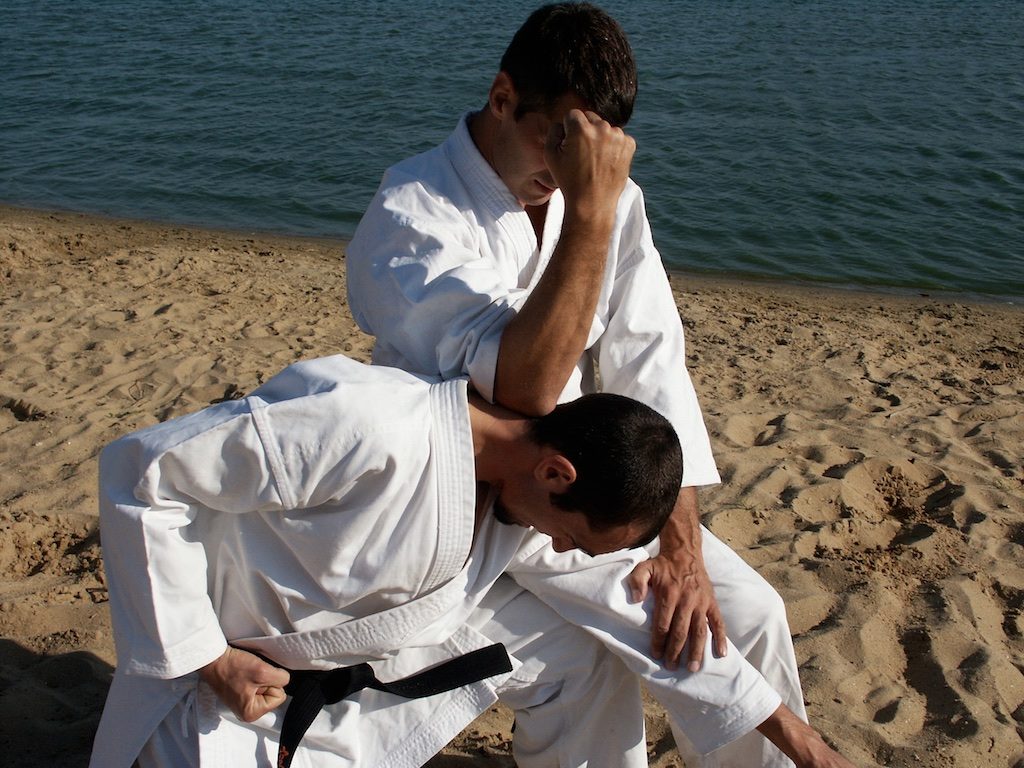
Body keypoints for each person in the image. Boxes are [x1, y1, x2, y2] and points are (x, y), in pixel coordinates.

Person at [346, 3, 854, 767]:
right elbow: (527, 392)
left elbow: (651, 368)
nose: (567, 172)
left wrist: (681, 545)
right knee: (611, 662)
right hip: (479, 508)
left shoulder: (611, 200)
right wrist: (589, 214)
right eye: (558, 143)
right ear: (502, 96)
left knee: (749, 613)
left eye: (591, 152)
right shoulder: (411, 216)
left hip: (608, 485)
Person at [91, 353, 697, 767]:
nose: (560, 547)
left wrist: (784, 729)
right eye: (574, 536)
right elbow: (141, 472)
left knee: (581, 653)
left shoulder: (513, 493)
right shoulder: (370, 425)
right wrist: (211, 658)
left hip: (345, 686)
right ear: (555, 472)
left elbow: (617, 605)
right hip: (226, 692)